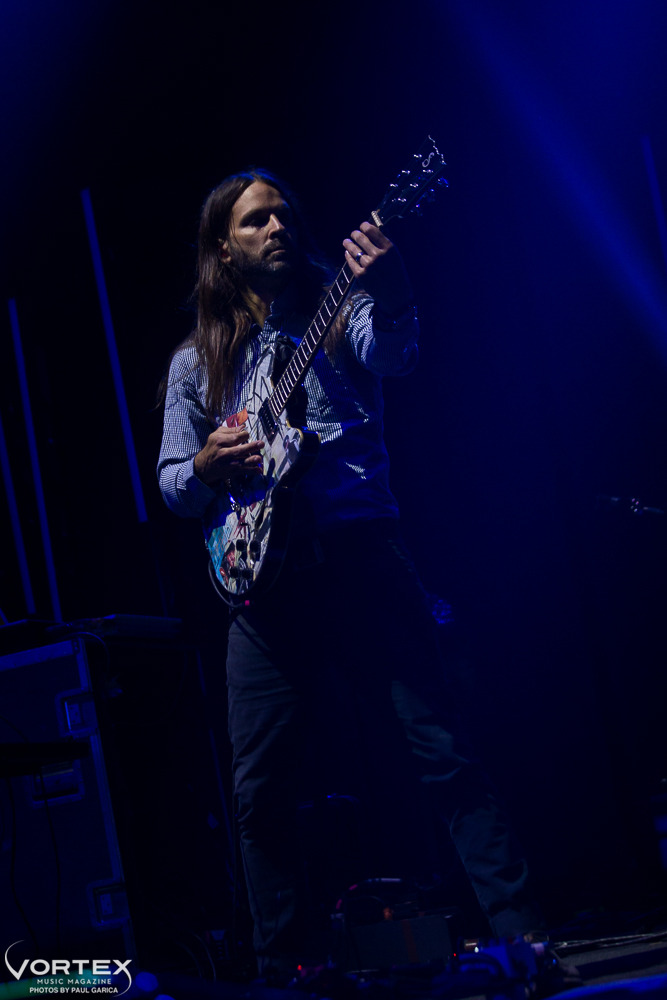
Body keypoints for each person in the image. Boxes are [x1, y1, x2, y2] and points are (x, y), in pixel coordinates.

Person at [157, 168, 544, 976]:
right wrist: (205, 461)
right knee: (260, 795)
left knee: (441, 751)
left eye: (282, 215)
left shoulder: (341, 304)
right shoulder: (197, 362)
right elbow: (171, 487)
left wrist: (395, 288)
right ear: (223, 249)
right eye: (254, 221)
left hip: (360, 555)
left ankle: (521, 937)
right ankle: (282, 970)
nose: (275, 229)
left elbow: (396, 357)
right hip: (262, 585)